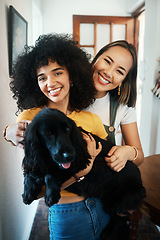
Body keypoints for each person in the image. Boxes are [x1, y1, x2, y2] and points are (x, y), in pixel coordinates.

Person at [3, 33, 111, 240]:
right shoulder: (30, 120)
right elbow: (36, 191)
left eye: (57, 73)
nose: (50, 82)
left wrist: (127, 152)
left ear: (72, 75)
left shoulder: (92, 119)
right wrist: (82, 171)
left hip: (103, 205)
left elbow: (109, 162)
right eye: (42, 77)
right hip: (67, 215)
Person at [85, 40, 144, 172]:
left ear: (124, 80)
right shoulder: (66, 93)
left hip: (102, 187)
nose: (109, 73)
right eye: (107, 61)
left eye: (120, 71)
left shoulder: (122, 108)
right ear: (96, 58)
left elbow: (140, 157)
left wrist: (129, 152)